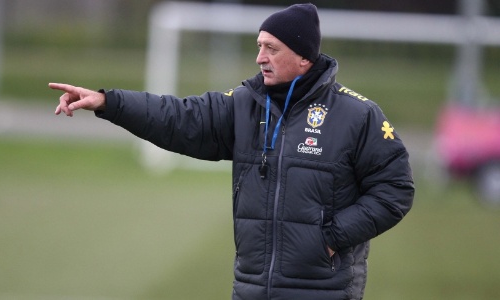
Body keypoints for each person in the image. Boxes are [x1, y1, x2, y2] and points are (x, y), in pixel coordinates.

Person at [49, 3, 414, 300]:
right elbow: (178, 118)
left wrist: (330, 239)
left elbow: (395, 189)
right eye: (259, 46)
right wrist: (107, 102)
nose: (260, 57)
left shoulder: (357, 115)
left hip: (323, 290)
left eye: (272, 48)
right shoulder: (245, 105)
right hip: (251, 290)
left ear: (304, 58)